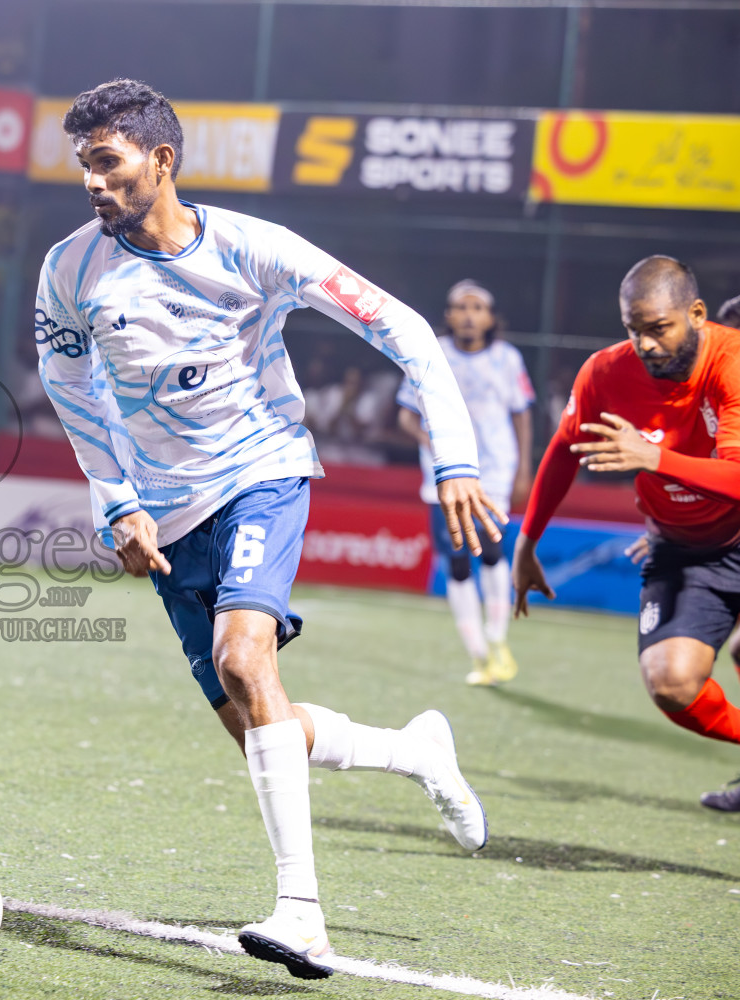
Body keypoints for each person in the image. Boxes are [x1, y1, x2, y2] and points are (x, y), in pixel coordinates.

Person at [36, 79, 500, 980]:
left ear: (160, 162)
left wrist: (454, 459)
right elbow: (69, 390)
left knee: (248, 663)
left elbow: (404, 329)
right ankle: (416, 752)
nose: (91, 182)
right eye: (83, 165)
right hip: (166, 517)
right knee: (258, 725)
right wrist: (117, 502)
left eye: (108, 162)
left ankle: (303, 917)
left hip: (262, 474)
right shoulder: (68, 271)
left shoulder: (256, 250)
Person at [516, 256, 740, 814]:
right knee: (670, 683)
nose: (644, 343)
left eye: (658, 328)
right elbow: (565, 450)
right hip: (680, 548)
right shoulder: (605, 372)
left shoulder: (730, 361)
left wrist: (653, 457)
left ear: (696, 313)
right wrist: (527, 542)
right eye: (633, 330)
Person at [397, 280, 534, 686]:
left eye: (478, 307)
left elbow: (522, 413)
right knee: (456, 560)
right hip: (445, 474)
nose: (469, 314)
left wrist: (525, 466)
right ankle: (477, 654)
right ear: (449, 315)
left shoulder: (507, 358)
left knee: (491, 550)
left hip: (494, 470)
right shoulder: (431, 354)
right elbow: (406, 413)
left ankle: (498, 640)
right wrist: (431, 439)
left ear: (490, 318)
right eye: (461, 306)